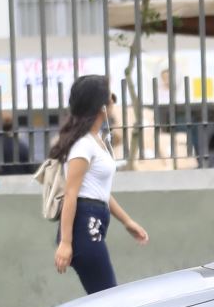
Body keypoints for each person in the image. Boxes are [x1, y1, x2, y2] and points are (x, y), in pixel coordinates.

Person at [48, 75, 148, 293]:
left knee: (103, 298)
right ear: (101, 106)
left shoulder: (96, 141)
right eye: (111, 97)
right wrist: (66, 242)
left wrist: (127, 221)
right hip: (84, 227)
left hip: (93, 223)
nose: (114, 101)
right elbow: (72, 194)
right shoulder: (83, 145)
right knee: (108, 299)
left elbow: (99, 192)